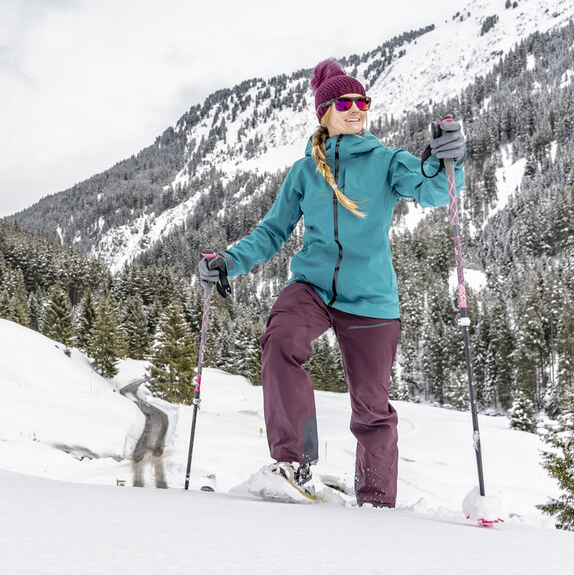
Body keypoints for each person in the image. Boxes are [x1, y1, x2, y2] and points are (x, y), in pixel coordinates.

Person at [197, 59, 465, 507]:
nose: (357, 109)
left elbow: (434, 192)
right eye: (345, 102)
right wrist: (228, 261)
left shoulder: (387, 162)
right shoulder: (305, 173)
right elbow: (272, 233)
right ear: (325, 112)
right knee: (281, 339)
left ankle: (376, 504)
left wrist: (448, 160)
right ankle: (294, 464)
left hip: (372, 299)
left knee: (372, 408)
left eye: (363, 101)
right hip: (313, 287)